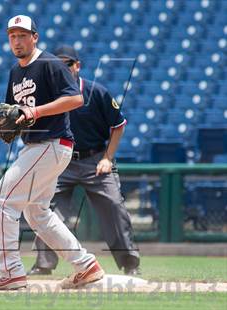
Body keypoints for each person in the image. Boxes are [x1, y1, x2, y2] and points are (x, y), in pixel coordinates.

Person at [0, 15, 104, 291]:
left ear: (35, 37)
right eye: (13, 35)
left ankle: (11, 273)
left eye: (23, 35)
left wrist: (36, 111)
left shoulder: (50, 63)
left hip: (51, 144)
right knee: (38, 213)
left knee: (0, 200)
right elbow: (13, 116)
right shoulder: (15, 72)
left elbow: (75, 98)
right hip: (37, 147)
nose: (17, 40)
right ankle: (86, 266)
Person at [28, 45, 140, 276]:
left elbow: (118, 125)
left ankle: (130, 264)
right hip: (60, 161)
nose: (63, 68)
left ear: (77, 66)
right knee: (44, 207)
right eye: (57, 65)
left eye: (67, 64)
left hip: (94, 158)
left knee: (113, 205)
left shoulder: (95, 92)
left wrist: (108, 158)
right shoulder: (47, 96)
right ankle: (43, 264)